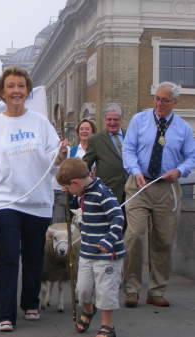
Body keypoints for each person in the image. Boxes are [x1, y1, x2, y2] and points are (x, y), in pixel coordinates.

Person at [0, 67, 68, 331]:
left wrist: (60, 155)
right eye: (11, 86)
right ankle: (5, 314)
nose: (16, 91)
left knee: (34, 257)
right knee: (8, 256)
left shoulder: (40, 122)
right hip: (6, 201)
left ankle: (30, 302)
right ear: (2, 92)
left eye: (21, 86)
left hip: (38, 201)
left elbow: (54, 160)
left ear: (27, 91)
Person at [122, 82, 195, 308]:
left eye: (165, 100)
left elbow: (191, 157)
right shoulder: (139, 120)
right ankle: (132, 289)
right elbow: (128, 149)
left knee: (163, 240)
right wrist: (135, 171)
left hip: (166, 188)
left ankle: (157, 290)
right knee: (133, 236)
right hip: (139, 185)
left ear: (175, 102)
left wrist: (180, 170)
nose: (159, 104)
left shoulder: (183, 128)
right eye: (157, 98)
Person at [56, 158, 124, 337]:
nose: (69, 192)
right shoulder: (83, 192)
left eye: (69, 188)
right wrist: (70, 195)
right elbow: (77, 205)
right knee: (82, 289)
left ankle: (107, 326)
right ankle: (88, 310)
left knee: (105, 291)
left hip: (106, 254)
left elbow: (118, 219)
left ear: (75, 182)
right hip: (87, 251)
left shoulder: (103, 194)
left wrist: (108, 241)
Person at [52, 118, 97, 223]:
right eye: (81, 129)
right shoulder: (72, 151)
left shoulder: (98, 150)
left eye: (87, 129)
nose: (84, 131)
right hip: (73, 195)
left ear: (93, 132)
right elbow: (62, 170)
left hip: (91, 194)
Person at [83, 104, 128, 205]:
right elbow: (85, 165)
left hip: (132, 190)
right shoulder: (95, 140)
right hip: (108, 193)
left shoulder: (130, 135)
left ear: (121, 119)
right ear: (104, 120)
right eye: (109, 119)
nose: (112, 122)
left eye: (116, 119)